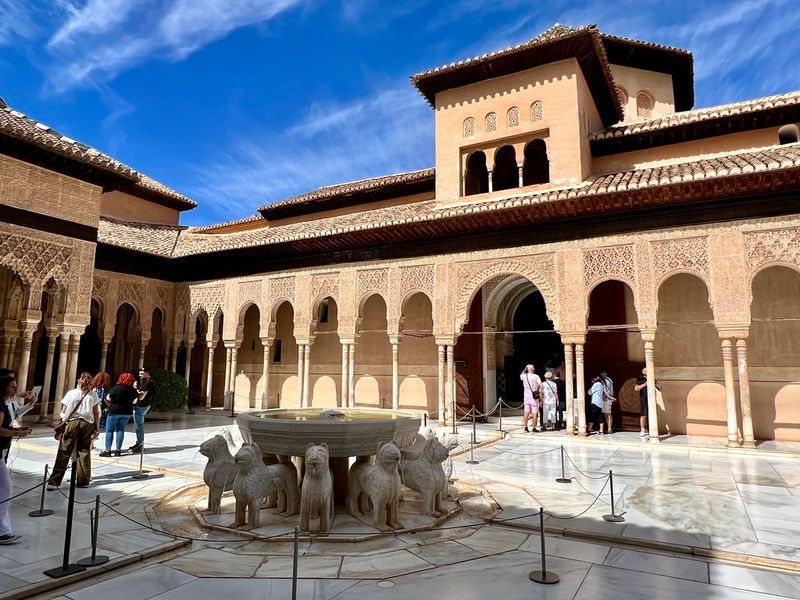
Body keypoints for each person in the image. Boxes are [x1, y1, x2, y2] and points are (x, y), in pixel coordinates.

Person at [48, 372, 101, 489]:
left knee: (64, 450)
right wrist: (96, 427)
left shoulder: (71, 393)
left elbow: (63, 410)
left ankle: (54, 481)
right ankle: (83, 481)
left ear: (78, 381)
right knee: (84, 451)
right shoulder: (93, 395)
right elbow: (96, 412)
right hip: (87, 423)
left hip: (72, 422)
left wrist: (63, 418)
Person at [0, 375, 32, 544]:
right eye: (12, 387)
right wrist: (18, 432)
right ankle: (2, 531)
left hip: (2, 449)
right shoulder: (0, 405)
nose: (15, 390)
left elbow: (9, 421)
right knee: (5, 488)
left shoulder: (7, 404)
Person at [100, 373, 139, 457]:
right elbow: (135, 401)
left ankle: (108, 450)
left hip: (114, 411)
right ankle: (118, 450)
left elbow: (108, 398)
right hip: (126, 412)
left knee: (109, 431)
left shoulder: (117, 388)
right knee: (120, 430)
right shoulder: (133, 390)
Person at [131, 368, 155, 453]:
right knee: (138, 425)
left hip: (141, 406)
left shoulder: (147, 382)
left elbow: (141, 396)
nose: (140, 375)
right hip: (143, 405)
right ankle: (138, 443)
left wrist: (134, 388)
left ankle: (140, 444)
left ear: (147, 374)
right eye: (139, 373)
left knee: (139, 426)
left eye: (142, 374)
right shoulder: (144, 381)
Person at [634, 366, 661, 437]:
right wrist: (645, 384)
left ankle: (652, 429)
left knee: (652, 414)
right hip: (644, 399)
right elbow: (636, 388)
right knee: (644, 414)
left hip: (652, 399)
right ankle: (642, 429)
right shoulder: (640, 378)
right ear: (643, 372)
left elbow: (660, 388)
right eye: (647, 370)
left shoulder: (652, 378)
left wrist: (656, 383)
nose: (649, 371)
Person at [520, 364, 542, 433]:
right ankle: (534, 427)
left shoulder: (524, 376)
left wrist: (525, 369)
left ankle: (525, 427)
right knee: (535, 412)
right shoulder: (536, 376)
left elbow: (521, 375)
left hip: (526, 397)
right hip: (534, 397)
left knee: (526, 412)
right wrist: (540, 393)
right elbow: (541, 385)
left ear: (527, 369)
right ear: (533, 369)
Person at [599, 368, 616, 434]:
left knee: (607, 414)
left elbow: (605, 390)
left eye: (604, 372)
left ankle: (609, 428)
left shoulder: (605, 380)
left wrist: (610, 397)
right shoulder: (608, 379)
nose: (603, 374)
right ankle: (608, 428)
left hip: (606, 399)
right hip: (605, 399)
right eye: (602, 373)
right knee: (606, 414)